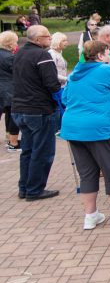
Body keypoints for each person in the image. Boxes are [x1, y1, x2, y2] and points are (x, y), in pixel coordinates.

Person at [61, 41, 110, 229]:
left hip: (73, 128)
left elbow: (65, 98)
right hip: (97, 128)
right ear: (99, 56)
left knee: (87, 172)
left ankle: (90, 215)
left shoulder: (74, 74)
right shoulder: (105, 70)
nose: (109, 57)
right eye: (107, 54)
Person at [12, 25, 61, 200]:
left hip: (20, 108)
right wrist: (61, 100)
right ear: (38, 39)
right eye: (48, 36)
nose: (50, 39)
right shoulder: (42, 55)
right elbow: (51, 83)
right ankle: (34, 189)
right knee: (42, 151)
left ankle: (25, 187)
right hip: (38, 109)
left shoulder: (19, 53)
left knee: (28, 149)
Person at [0, 31, 20, 151]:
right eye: (15, 42)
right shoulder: (10, 57)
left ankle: (8, 136)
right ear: (10, 43)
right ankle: (13, 142)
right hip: (9, 90)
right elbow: (17, 73)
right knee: (13, 114)